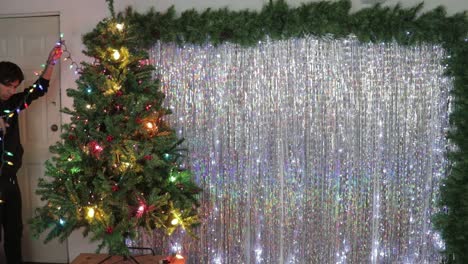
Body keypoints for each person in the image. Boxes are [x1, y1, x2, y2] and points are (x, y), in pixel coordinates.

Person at [0, 43, 62, 264]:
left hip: (9, 180)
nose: (11, 91)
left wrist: (51, 62)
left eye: (15, 87)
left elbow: (39, 89)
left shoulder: (13, 102)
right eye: (8, 86)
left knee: (14, 230)